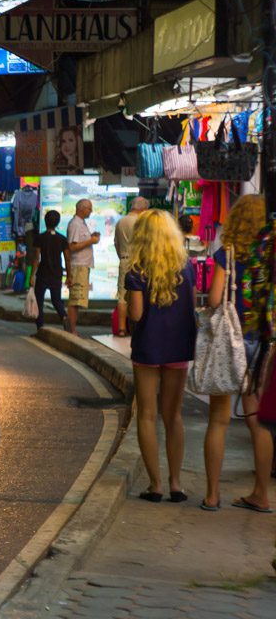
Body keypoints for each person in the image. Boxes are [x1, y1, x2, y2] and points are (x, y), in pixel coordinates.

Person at [204, 194, 271, 512]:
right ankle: (261, 493)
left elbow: (216, 298)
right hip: (260, 346)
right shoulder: (268, 258)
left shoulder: (226, 255)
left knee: (218, 420)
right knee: (258, 422)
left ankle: (212, 495)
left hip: (230, 344)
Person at [125, 210, 197, 504]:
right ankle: (176, 484)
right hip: (178, 346)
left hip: (147, 348)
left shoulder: (136, 272)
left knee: (146, 414)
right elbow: (191, 307)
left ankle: (155, 485)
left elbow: (136, 314)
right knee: (173, 416)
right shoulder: (186, 268)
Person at [114, 197, 149, 337]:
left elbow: (116, 244)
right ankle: (137, 327)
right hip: (139, 262)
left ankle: (122, 328)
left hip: (124, 260)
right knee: (139, 293)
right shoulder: (142, 222)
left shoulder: (120, 222)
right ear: (143, 209)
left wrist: (122, 257)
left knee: (122, 295)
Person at [30, 210, 70, 331]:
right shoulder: (62, 239)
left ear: (45, 221)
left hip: (43, 273)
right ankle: (64, 316)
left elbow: (36, 258)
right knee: (56, 300)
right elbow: (67, 259)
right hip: (57, 273)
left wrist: (32, 275)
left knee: (39, 301)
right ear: (57, 223)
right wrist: (69, 276)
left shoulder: (40, 238)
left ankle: (40, 328)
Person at [66, 199, 100, 335]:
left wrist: (90, 238)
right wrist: (91, 241)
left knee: (78, 299)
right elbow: (72, 246)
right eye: (89, 209)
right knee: (75, 299)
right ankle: (71, 329)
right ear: (82, 209)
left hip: (83, 265)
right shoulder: (75, 224)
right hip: (78, 265)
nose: (90, 211)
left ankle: (72, 328)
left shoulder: (81, 224)